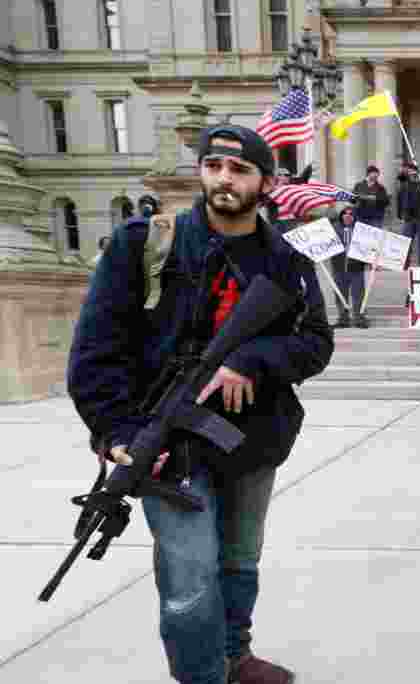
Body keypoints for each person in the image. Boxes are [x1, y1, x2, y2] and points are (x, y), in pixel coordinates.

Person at [68, 124, 334, 684]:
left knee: (239, 562)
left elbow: (315, 344)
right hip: (165, 446)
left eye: (239, 170)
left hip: (252, 440)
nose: (224, 179)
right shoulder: (144, 244)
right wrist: (116, 433)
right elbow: (95, 351)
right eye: (214, 166)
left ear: (266, 182)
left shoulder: (286, 260)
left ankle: (235, 657)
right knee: (189, 582)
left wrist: (254, 359)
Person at [329, 203, 369, 329]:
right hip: (339, 267)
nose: (347, 216)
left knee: (358, 293)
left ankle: (359, 318)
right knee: (340, 293)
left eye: (351, 214)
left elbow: (369, 246)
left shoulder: (361, 229)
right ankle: (343, 318)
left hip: (356, 267)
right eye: (345, 213)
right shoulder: (334, 228)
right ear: (341, 216)